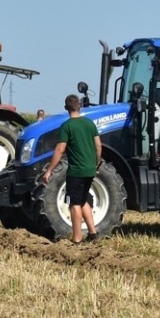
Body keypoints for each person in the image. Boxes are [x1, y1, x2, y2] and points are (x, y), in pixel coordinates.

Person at [42, 94, 103, 244]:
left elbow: (60, 149)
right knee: (83, 200)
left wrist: (49, 170)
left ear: (66, 108)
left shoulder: (67, 126)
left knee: (74, 204)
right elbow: (98, 146)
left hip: (76, 172)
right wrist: (97, 163)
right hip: (90, 170)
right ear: (79, 106)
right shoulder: (90, 124)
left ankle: (77, 239)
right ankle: (93, 233)